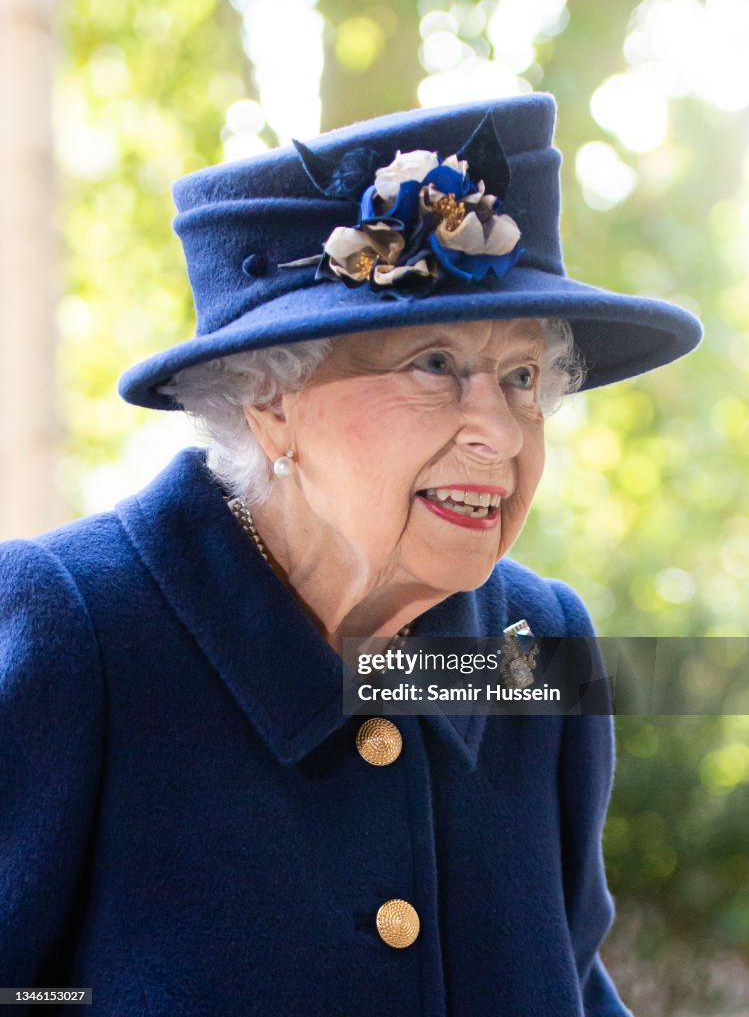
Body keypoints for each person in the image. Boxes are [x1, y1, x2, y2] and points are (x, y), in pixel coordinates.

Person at [0, 94, 701, 1015]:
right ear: (270, 402)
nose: (498, 432)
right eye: (432, 363)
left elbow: (570, 981)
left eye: (522, 377)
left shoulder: (537, 643)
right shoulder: (80, 629)